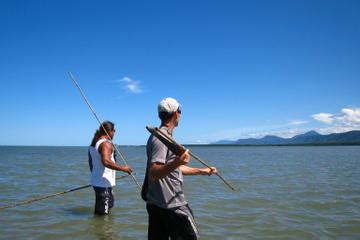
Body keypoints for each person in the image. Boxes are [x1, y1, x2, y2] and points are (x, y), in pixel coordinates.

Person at [142, 97, 218, 240]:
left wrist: (203, 171)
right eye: (180, 111)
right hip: (172, 206)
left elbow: (173, 169)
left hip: (156, 204)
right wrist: (177, 162)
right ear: (176, 113)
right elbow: (154, 172)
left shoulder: (164, 137)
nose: (181, 115)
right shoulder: (160, 138)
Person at [88, 121, 133, 215]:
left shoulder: (93, 144)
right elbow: (106, 161)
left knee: (110, 204)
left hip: (99, 182)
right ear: (111, 131)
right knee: (103, 214)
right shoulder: (105, 144)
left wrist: (95, 176)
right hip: (102, 183)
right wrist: (124, 168)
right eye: (114, 130)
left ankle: (101, 227)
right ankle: (102, 229)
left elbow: (91, 163)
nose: (115, 133)